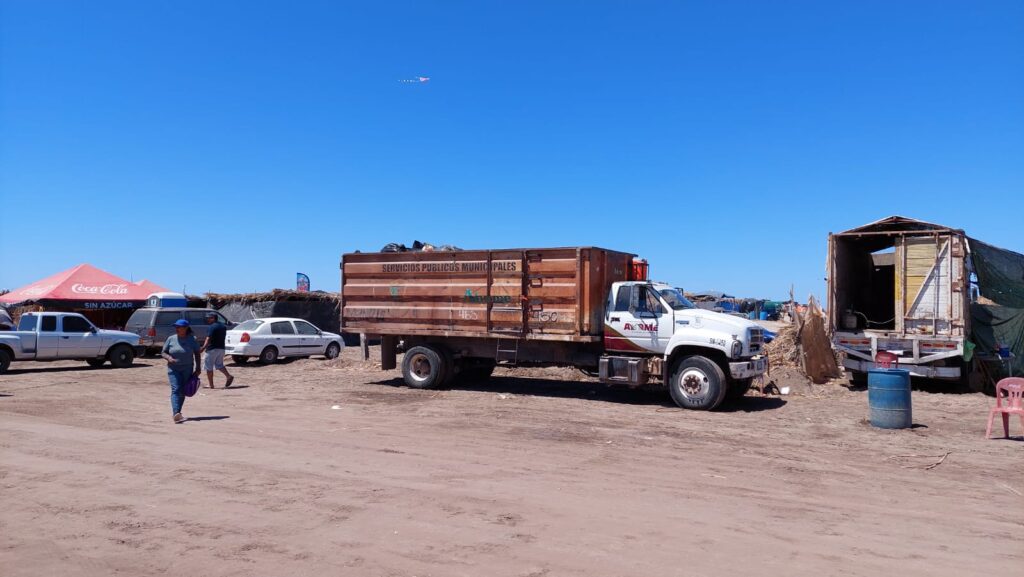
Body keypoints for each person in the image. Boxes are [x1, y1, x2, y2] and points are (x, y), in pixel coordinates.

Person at [162, 319, 201, 423]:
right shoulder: (171, 339)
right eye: (176, 327)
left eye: (179, 327)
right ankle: (176, 413)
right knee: (176, 389)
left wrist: (198, 368)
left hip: (187, 368)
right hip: (173, 369)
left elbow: (197, 353)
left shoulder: (192, 339)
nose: (177, 329)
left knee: (183, 390)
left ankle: (178, 413)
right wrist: (169, 358)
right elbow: (163, 352)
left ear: (186, 328)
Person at [201, 312, 233, 388]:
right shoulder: (223, 326)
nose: (207, 319)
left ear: (213, 318)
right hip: (221, 348)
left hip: (212, 349)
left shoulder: (211, 327)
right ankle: (228, 376)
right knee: (219, 365)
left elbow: (208, 338)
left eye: (209, 318)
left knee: (208, 367)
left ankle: (211, 385)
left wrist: (203, 347)